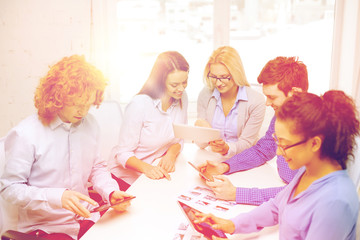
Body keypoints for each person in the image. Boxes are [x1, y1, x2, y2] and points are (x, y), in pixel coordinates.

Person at [194, 90, 359, 240]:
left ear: (314, 144)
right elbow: (276, 207)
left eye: (284, 145)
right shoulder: (309, 172)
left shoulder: (335, 202)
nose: (278, 153)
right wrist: (232, 225)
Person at [0, 55, 133, 240]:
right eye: (77, 105)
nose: (83, 112)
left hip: (85, 218)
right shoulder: (26, 133)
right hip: (46, 228)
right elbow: (9, 189)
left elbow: (97, 167)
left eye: (88, 105)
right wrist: (57, 197)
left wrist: (110, 192)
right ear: (56, 97)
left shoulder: (90, 124)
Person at [198, 56, 308, 205]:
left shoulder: (315, 126)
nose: (268, 103)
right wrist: (225, 166)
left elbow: (300, 193)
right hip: (283, 186)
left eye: (272, 97)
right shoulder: (282, 113)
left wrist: (236, 194)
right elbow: (265, 148)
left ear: (294, 93)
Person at [109, 51, 189, 188]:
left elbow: (180, 138)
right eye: (174, 85)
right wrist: (147, 168)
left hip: (153, 175)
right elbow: (122, 153)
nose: (181, 89)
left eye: (185, 82)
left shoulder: (181, 98)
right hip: (126, 180)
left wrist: (171, 154)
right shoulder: (140, 104)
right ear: (160, 81)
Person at [196, 46, 265, 157]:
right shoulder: (205, 94)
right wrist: (202, 128)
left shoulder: (256, 101)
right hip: (212, 157)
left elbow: (247, 143)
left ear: (236, 74)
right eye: (213, 76)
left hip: (243, 159)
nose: (218, 83)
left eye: (223, 77)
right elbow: (201, 144)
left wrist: (226, 149)